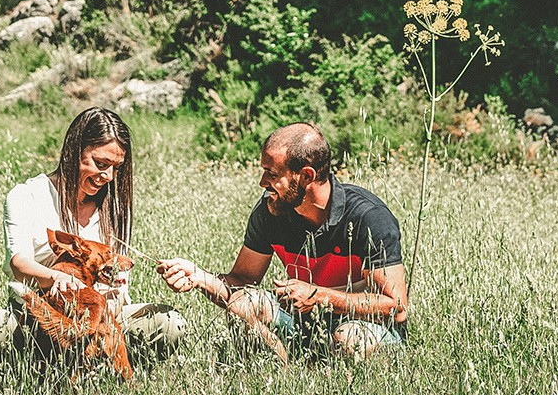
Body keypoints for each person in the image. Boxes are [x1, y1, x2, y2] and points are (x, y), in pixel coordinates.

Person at [158, 122, 408, 361]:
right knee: (243, 303)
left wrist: (319, 297)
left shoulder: (368, 217)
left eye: (272, 173)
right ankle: (284, 381)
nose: (262, 182)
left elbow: (395, 307)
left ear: (306, 176)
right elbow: (242, 282)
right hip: (302, 324)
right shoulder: (271, 211)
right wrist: (200, 278)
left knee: (349, 339)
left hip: (365, 327)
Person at [0, 107, 185, 375]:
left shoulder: (116, 207)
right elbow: (19, 263)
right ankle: (43, 369)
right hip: (42, 318)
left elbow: (117, 286)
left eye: (116, 168)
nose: (108, 177)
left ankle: (105, 367)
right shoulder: (26, 196)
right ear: (74, 152)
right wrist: (56, 278)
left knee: (169, 323)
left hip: (104, 318)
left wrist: (115, 279)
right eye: (100, 164)